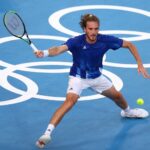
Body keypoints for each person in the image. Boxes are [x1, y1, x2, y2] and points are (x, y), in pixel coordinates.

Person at [35, 14, 150, 148]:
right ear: (84, 29)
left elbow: (130, 44)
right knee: (70, 101)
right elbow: (59, 49)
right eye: (90, 29)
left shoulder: (105, 40)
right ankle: (46, 134)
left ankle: (128, 112)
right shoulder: (76, 41)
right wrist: (45, 53)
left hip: (96, 77)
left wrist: (140, 64)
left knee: (117, 96)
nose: (93, 32)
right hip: (78, 78)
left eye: (96, 29)